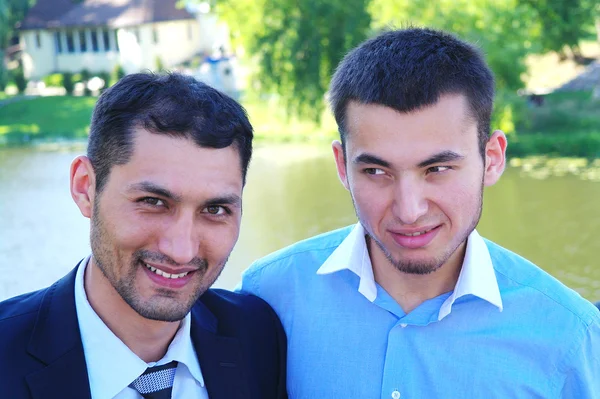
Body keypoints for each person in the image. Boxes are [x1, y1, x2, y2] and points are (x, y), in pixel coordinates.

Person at [239, 28, 600, 398]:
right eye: (377, 172)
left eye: (437, 170)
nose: (409, 211)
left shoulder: (569, 335)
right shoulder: (270, 294)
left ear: (492, 159)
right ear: (341, 165)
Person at [0, 73, 287, 399]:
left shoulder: (258, 337)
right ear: (85, 188)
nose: (181, 250)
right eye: (153, 203)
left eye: (215, 210)